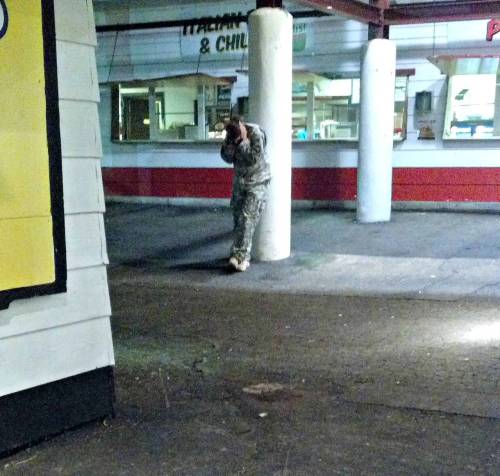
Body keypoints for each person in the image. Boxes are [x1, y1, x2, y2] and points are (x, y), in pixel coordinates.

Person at [221, 116, 271, 272]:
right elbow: (226, 158)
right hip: (240, 183)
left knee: (247, 219)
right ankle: (241, 256)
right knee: (238, 220)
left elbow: (252, 158)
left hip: (257, 183)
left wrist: (242, 142)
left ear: (242, 125)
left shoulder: (256, 134)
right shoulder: (231, 135)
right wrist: (231, 143)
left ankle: (238, 257)